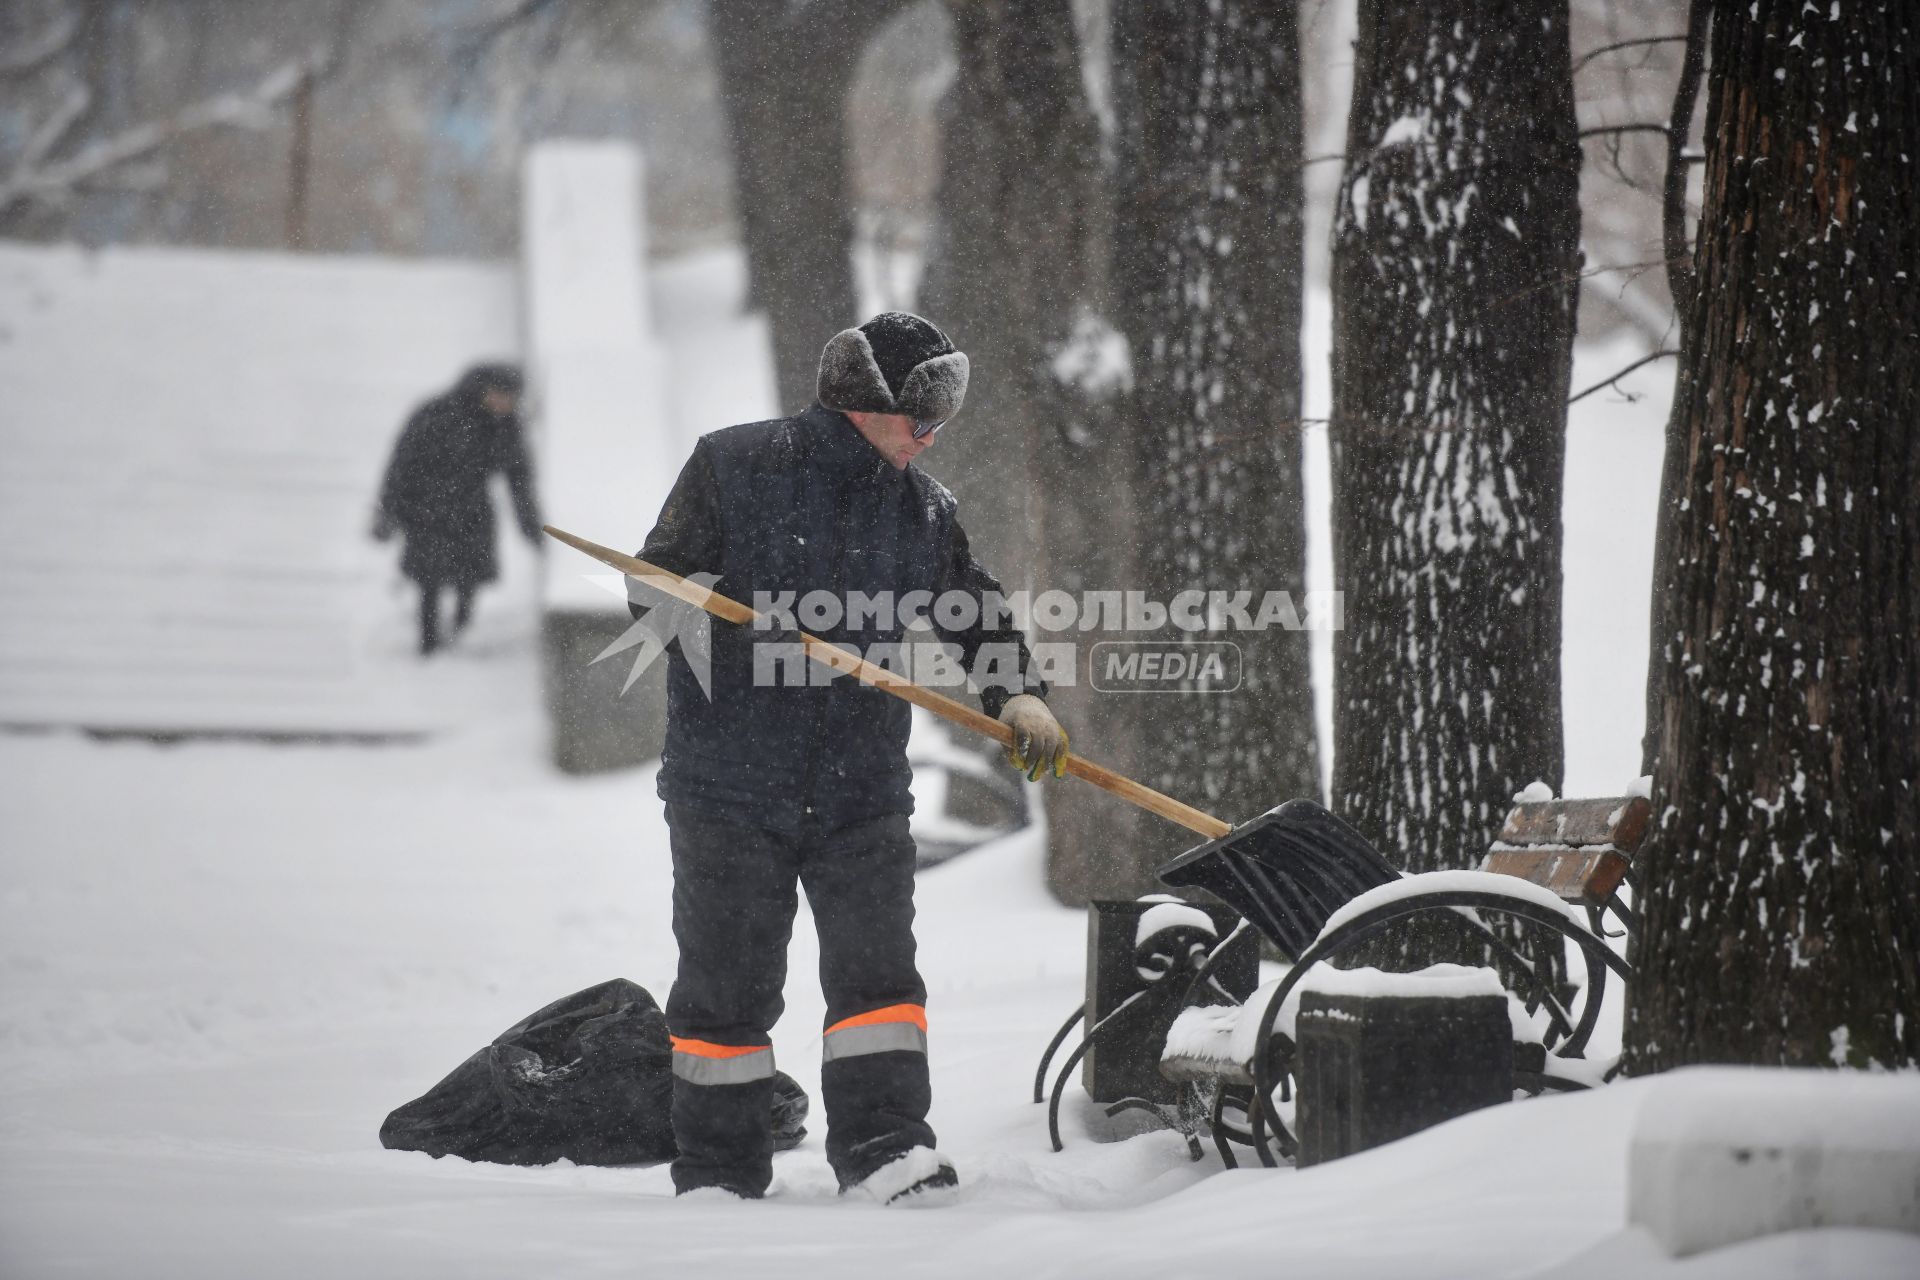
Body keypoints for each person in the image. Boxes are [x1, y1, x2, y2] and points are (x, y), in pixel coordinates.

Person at [628, 312, 1070, 1203]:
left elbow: (969, 604)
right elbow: (652, 595)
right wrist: (733, 622)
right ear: (869, 406)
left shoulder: (921, 506)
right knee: (726, 993)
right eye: (922, 416)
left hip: (861, 788)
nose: (931, 438)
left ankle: (885, 1152)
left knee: (878, 986)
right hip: (729, 786)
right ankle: (719, 1174)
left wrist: (1015, 690)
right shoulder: (734, 465)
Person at [372, 364, 542, 655]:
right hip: (426, 509)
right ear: (484, 390)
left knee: (470, 575)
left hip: (473, 510)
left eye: (510, 398)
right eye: (500, 395)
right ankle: (428, 640)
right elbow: (401, 463)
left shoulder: (506, 425)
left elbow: (519, 479)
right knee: (429, 579)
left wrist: (530, 525)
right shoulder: (437, 413)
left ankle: (461, 624)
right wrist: (389, 511)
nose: (504, 403)